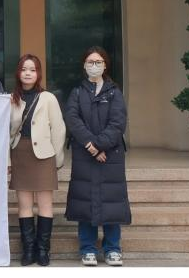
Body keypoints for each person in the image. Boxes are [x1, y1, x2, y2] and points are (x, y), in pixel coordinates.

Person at [64, 46, 130, 267]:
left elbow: (118, 123)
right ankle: (88, 248)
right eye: (90, 62)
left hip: (110, 155)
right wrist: (91, 146)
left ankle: (113, 249)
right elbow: (73, 119)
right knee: (85, 202)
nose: (94, 65)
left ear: (105, 65)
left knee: (111, 201)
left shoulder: (114, 92)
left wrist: (100, 146)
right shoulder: (77, 92)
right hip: (85, 154)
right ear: (84, 65)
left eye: (98, 62)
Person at [8, 54, 65, 266]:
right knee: (24, 205)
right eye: (24, 69)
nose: (28, 73)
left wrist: (57, 159)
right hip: (20, 153)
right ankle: (29, 250)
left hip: (44, 155)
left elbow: (58, 129)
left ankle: (43, 250)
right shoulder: (11, 99)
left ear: (38, 73)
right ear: (18, 73)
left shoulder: (48, 98)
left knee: (44, 205)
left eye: (32, 69)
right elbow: (5, 132)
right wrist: (7, 160)